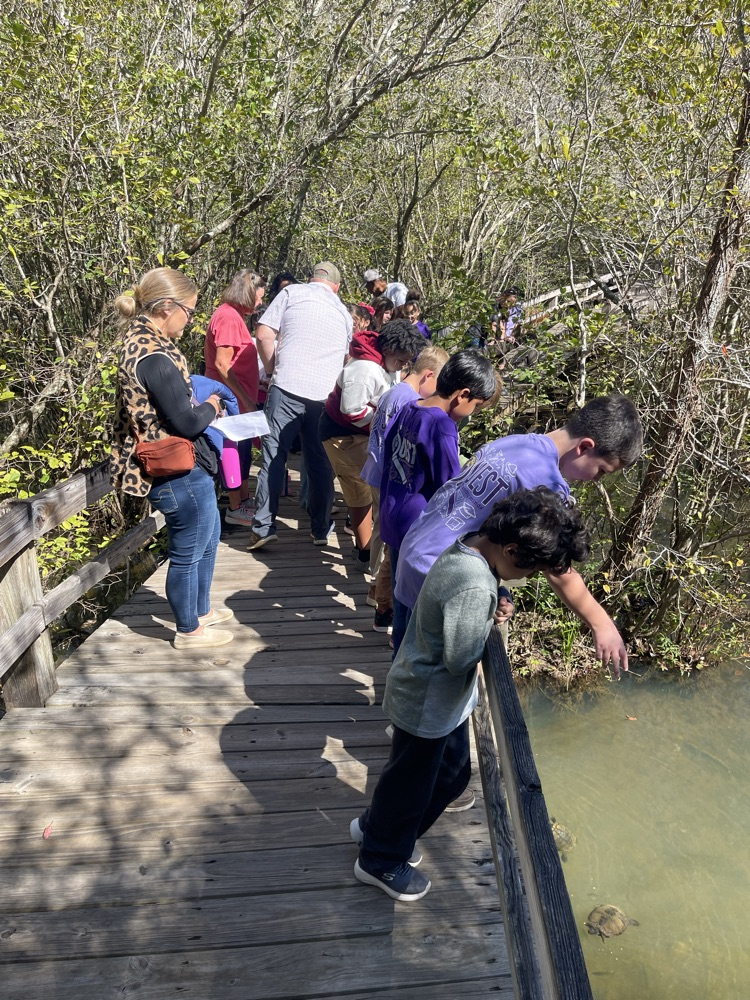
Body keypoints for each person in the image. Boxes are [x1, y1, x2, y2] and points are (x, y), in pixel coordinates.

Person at [351, 487, 591, 900]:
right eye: (531, 570)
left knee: (450, 773)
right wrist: (487, 615)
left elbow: (472, 601)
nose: (529, 578)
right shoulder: (473, 585)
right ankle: (380, 858)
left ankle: (379, 826)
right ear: (512, 550)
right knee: (412, 784)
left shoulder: (472, 547)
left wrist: (498, 594)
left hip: (439, 701)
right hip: (428, 702)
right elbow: (462, 657)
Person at [395, 394, 644, 673]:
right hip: (441, 578)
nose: (596, 480)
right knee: (434, 674)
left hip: (414, 552)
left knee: (406, 659)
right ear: (585, 447)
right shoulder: (547, 485)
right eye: (601, 471)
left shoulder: (517, 443)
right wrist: (602, 624)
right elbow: (557, 568)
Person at [111, 267, 233, 649]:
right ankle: (188, 630)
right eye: (190, 311)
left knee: (208, 536)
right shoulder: (153, 356)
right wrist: (214, 405)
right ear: (166, 307)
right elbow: (186, 422)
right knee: (188, 548)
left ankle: (200, 611)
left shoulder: (146, 342)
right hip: (173, 467)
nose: (192, 320)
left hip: (183, 463)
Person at [379, 349, 498, 654]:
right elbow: (452, 488)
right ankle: (403, 672)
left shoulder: (410, 406)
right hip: (419, 531)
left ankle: (397, 661)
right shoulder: (442, 426)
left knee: (400, 594)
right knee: (415, 614)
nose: (473, 414)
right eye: (476, 407)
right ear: (463, 395)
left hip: (393, 518)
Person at [249, 261, 353, 549]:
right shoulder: (344, 313)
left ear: (310, 279)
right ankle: (320, 529)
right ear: (336, 287)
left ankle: (263, 526)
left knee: (274, 456)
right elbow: (346, 358)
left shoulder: (291, 294)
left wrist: (271, 371)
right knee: (320, 464)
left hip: (287, 386)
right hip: (325, 395)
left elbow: (263, 334)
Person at [319, 319, 426, 567]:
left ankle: (366, 549)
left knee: (364, 490)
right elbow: (352, 410)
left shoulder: (388, 363)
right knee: (367, 488)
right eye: (400, 361)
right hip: (342, 435)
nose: (402, 366)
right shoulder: (364, 369)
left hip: (364, 432)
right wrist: (387, 423)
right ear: (387, 350)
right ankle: (371, 554)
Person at [360, 344, 450, 632]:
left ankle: (379, 596)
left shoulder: (394, 393)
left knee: (384, 539)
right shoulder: (408, 401)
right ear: (429, 376)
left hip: (381, 475)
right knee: (389, 550)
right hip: (391, 483)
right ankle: (381, 600)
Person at [203, 269, 265, 526]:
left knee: (242, 452)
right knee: (233, 452)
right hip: (230, 401)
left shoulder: (234, 316)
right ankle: (235, 506)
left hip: (239, 398)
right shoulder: (228, 317)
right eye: (258, 297)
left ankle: (243, 500)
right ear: (247, 293)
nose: (260, 303)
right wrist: (245, 399)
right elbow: (222, 363)